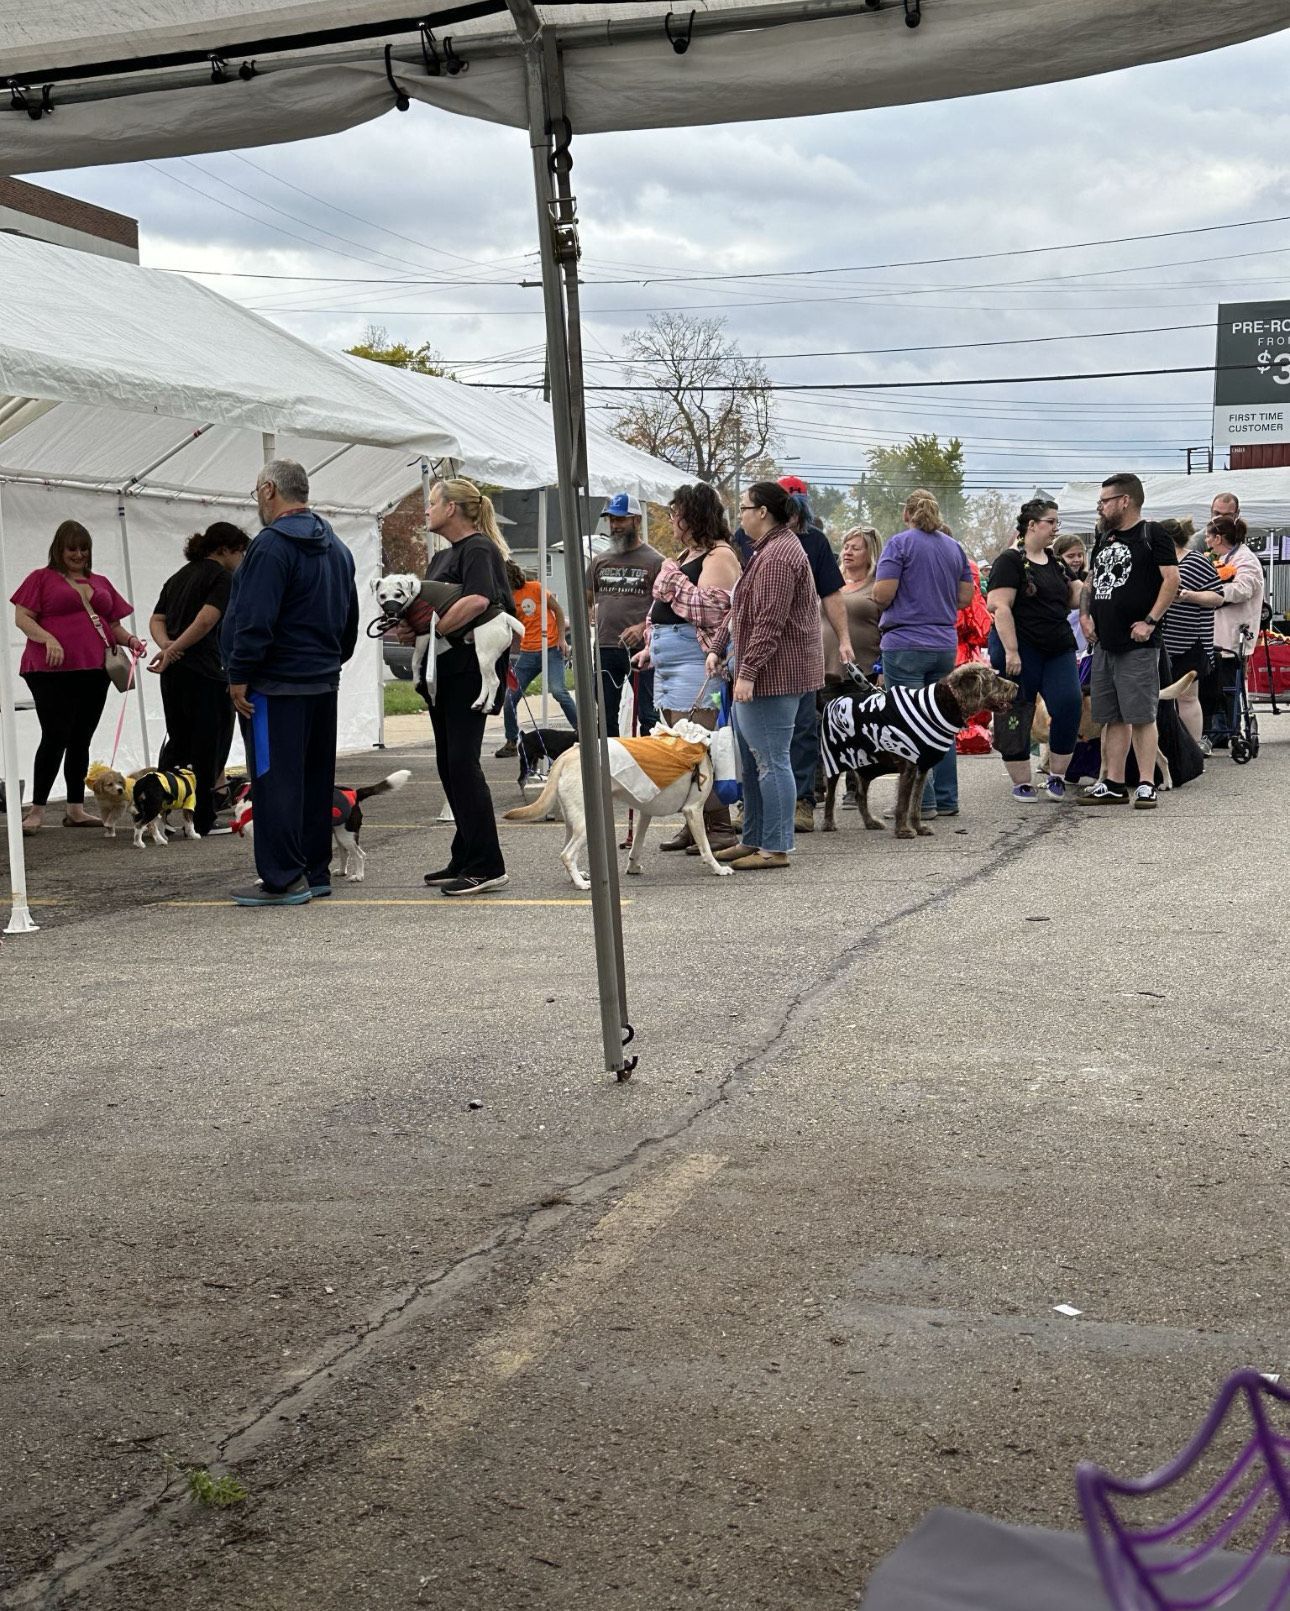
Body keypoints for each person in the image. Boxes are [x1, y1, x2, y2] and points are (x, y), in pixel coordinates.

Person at [221, 459, 359, 905]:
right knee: (313, 780)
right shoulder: (336, 546)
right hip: (321, 681)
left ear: (267, 491)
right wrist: (331, 662)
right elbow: (349, 619)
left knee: (274, 779)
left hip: (274, 686)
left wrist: (240, 673)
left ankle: (282, 877)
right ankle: (314, 870)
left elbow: (254, 618)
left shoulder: (270, 547)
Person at [703, 481, 822, 871]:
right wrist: (718, 647)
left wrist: (748, 672)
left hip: (774, 677)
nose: (740, 515)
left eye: (744, 508)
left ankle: (776, 847)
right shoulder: (764, 552)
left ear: (763, 513)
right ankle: (753, 838)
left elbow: (769, 622)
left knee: (772, 760)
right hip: (756, 672)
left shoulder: (779, 557)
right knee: (754, 764)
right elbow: (741, 610)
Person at [10, 520, 144, 834]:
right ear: (60, 549)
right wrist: (49, 639)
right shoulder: (41, 578)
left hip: (94, 669)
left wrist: (131, 641)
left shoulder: (100, 581)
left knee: (81, 738)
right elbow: (22, 618)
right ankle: (37, 810)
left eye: (84, 549)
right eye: (72, 548)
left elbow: (112, 625)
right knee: (55, 735)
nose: (79, 554)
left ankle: (75, 809)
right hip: (50, 670)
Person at [633, 482, 742, 854]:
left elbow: (712, 610)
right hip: (668, 662)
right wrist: (650, 646)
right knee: (678, 744)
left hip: (698, 664)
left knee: (698, 745)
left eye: (676, 512)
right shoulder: (686, 554)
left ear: (693, 515)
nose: (671, 519)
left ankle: (719, 826)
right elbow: (662, 608)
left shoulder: (719, 556)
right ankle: (691, 820)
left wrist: (672, 577)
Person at [418, 477, 514, 896]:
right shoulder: (445, 555)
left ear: (452, 508)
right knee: (448, 764)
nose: (427, 509)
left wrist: (437, 627)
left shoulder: (478, 549)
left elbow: (479, 600)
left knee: (462, 763)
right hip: (443, 673)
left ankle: (487, 864)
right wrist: (413, 625)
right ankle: (464, 853)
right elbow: (428, 604)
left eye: (432, 502)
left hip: (470, 674)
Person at [1076, 472, 1179, 809]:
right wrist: (1085, 615)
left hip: (1138, 644)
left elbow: (1171, 580)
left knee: (1141, 716)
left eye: (1105, 501)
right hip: (1105, 643)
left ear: (1125, 501)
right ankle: (1114, 783)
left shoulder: (1153, 534)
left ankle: (1146, 783)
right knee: (1112, 717)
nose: (1100, 507)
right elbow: (1092, 582)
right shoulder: (1103, 537)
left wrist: (1150, 622)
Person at [871, 490, 975, 820]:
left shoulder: (899, 544)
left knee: (910, 723)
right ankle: (946, 798)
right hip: (943, 644)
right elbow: (965, 597)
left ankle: (921, 803)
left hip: (905, 644)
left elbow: (883, 593)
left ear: (907, 513)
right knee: (942, 722)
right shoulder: (954, 547)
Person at [148, 521, 249, 836]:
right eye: (239, 552)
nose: (242, 558)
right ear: (223, 549)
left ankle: (157, 811)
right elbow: (207, 620)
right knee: (210, 743)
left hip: (175, 671)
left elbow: (157, 619)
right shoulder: (222, 577)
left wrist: (167, 647)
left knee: (178, 739)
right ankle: (204, 817)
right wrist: (174, 648)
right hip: (207, 670)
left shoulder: (178, 576)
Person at [985, 499, 1083, 803]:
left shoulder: (1056, 562)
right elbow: (999, 606)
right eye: (1051, 522)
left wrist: (1090, 587)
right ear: (1032, 525)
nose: (1055, 528)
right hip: (1020, 647)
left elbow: (1075, 596)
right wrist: (1012, 651)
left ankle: (1057, 776)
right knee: (1017, 710)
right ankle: (1021, 781)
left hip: (1057, 646)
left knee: (1069, 703)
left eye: (1057, 523)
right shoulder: (1009, 561)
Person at [1178, 514, 1264, 752]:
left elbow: (1244, 589)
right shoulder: (1217, 557)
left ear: (1218, 538)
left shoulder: (1245, 559)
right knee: (1211, 685)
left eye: (1207, 535)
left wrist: (1212, 593)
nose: (1204, 539)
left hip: (1234, 631)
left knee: (1226, 686)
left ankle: (1224, 730)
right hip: (1213, 632)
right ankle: (1211, 730)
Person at [587, 493, 661, 737]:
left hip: (641, 650)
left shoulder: (656, 561)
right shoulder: (600, 561)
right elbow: (586, 596)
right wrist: (592, 611)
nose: (615, 526)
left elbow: (666, 607)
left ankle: (648, 769)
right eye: (612, 520)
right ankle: (610, 771)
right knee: (605, 716)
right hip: (606, 647)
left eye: (621, 520)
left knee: (648, 715)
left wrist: (642, 626)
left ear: (636, 521)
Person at [497, 560, 577, 756]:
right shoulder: (506, 599)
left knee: (558, 691)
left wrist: (561, 639)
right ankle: (511, 741)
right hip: (527, 652)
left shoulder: (535, 588)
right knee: (509, 698)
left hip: (550, 648)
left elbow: (557, 610)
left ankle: (582, 732)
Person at [1158, 517, 1219, 746]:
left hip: (1190, 640)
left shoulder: (1195, 561)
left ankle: (1193, 749)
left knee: (1187, 697)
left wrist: (1189, 595)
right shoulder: (1155, 562)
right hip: (1159, 640)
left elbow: (1217, 596)